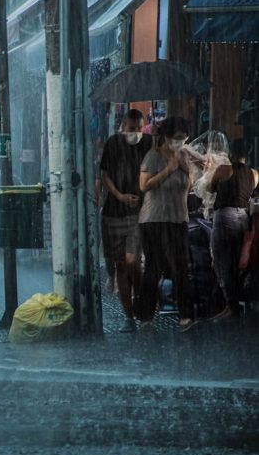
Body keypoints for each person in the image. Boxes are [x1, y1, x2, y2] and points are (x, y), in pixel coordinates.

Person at [136, 116, 196, 331]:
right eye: (177, 138)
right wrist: (169, 169)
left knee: (181, 268)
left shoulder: (184, 156)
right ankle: (145, 316)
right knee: (154, 268)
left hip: (178, 218)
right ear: (167, 137)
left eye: (184, 138)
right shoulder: (153, 156)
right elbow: (144, 186)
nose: (180, 142)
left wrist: (185, 167)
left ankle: (186, 317)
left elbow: (188, 187)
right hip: (155, 219)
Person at [100, 109, 153, 332]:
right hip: (114, 211)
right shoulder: (112, 144)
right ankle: (129, 315)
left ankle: (143, 308)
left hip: (139, 212)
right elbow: (104, 174)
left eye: (139, 128)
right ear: (123, 127)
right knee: (121, 264)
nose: (136, 133)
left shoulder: (150, 142)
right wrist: (120, 195)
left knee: (133, 262)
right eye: (132, 129)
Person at [208, 138, 259, 322]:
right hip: (243, 218)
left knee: (222, 261)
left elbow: (210, 187)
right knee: (238, 263)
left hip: (225, 216)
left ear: (231, 153)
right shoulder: (254, 174)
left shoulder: (224, 169)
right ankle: (233, 305)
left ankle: (231, 307)